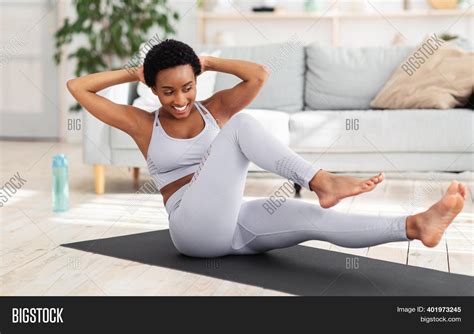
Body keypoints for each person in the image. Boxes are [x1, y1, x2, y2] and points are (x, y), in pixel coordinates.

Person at [67, 39, 466, 258]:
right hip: (191, 229)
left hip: (231, 222)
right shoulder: (143, 123)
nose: (179, 99)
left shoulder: (214, 109)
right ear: (153, 89)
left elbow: (260, 74)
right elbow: (77, 87)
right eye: (167, 90)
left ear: (196, 82)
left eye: (187, 87)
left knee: (315, 220)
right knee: (241, 126)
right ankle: (320, 179)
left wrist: (208, 61)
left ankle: (415, 227)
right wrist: (135, 72)